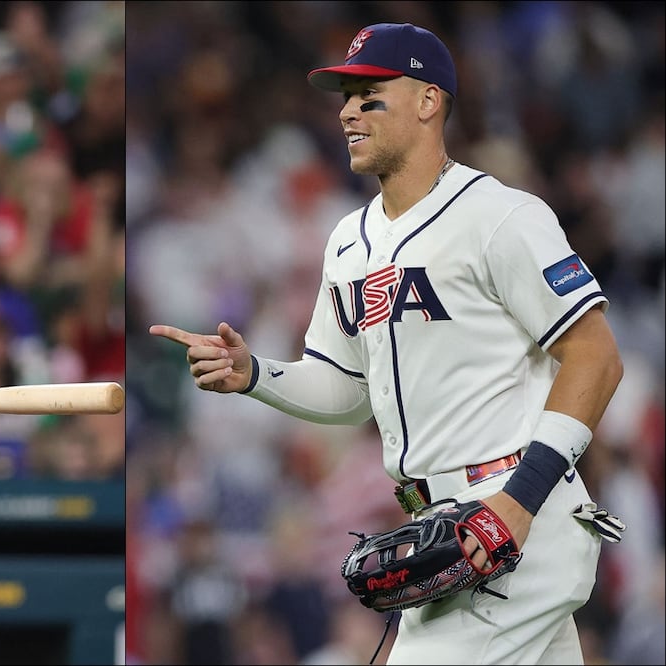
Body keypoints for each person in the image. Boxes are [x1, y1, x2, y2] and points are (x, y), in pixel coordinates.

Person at [149, 23, 625, 665]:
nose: (347, 110)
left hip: (514, 517)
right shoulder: (348, 240)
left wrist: (518, 502)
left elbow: (596, 355)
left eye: (371, 96)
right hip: (446, 527)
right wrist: (254, 373)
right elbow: (348, 391)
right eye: (346, 96)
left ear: (429, 102)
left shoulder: (502, 217)